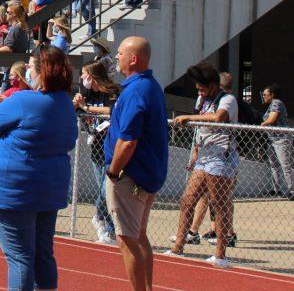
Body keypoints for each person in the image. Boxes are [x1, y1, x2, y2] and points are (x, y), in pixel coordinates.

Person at [0, 46, 77, 291]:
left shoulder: (23, 99)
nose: (27, 71)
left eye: (31, 67)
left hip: (13, 188)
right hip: (49, 187)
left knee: (20, 257)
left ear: (43, 72)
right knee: (43, 254)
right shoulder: (65, 102)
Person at [104, 36, 168, 291]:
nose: (117, 57)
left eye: (120, 53)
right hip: (146, 173)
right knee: (139, 237)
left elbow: (128, 140)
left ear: (133, 58)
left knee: (127, 239)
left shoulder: (137, 90)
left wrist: (113, 172)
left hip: (130, 175)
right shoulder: (148, 86)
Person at [164, 62, 238, 268]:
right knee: (188, 200)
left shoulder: (227, 99)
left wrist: (189, 117)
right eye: (198, 88)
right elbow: (201, 127)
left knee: (218, 203)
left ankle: (220, 254)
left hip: (220, 158)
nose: (200, 92)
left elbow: (218, 117)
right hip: (203, 156)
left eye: (203, 88)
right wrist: (196, 150)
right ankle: (179, 246)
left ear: (213, 85)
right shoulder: (203, 100)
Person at [74, 60, 120, 245]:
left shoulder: (111, 91)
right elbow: (76, 108)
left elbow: (111, 111)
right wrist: (77, 104)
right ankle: (108, 231)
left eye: (84, 74)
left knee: (106, 188)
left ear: (92, 76)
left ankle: (99, 217)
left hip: (111, 147)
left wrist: (87, 108)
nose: (82, 78)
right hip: (95, 147)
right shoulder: (86, 91)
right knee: (104, 190)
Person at [260, 84, 294, 200]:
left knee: (284, 165)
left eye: (265, 94)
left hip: (281, 139)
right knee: (273, 165)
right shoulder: (271, 104)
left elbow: (271, 119)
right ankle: (276, 189)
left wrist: (262, 125)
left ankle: (292, 191)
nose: (264, 96)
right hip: (273, 139)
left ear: (272, 95)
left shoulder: (276, 103)